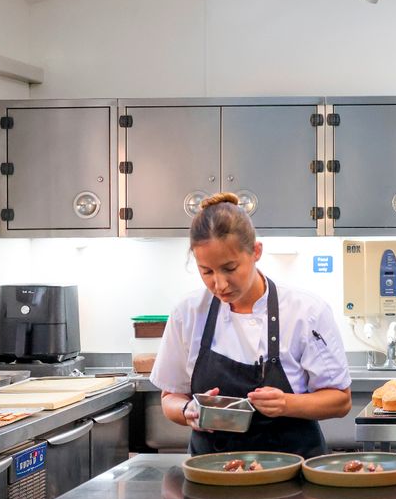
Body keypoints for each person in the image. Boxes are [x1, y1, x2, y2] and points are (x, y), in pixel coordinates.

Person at [150, 192, 351, 458]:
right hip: (213, 475)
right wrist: (189, 411)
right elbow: (170, 398)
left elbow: (340, 400)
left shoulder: (306, 312)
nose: (219, 284)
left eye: (230, 268)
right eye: (206, 272)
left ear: (256, 252)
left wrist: (287, 403)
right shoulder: (187, 313)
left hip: (291, 478)